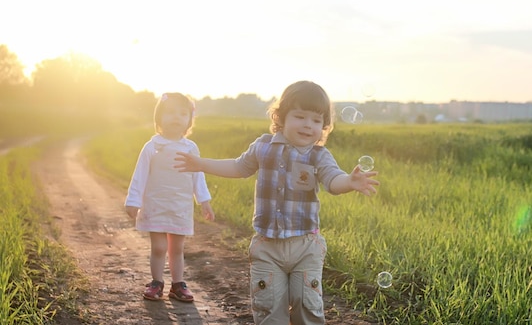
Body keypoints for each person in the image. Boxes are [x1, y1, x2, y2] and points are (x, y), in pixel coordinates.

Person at [174, 80, 379, 324]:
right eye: (300, 116)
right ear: (280, 117)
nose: (307, 125)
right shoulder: (263, 147)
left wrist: (349, 181)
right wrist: (201, 164)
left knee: (307, 306)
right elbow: (239, 167)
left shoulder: (318, 156)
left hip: (305, 246)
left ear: (324, 126)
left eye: (316, 120)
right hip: (266, 247)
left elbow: (333, 181)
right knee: (269, 308)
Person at [125, 92, 215, 303]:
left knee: (177, 248)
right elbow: (140, 175)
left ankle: (178, 284)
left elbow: (198, 176)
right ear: (159, 118)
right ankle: (156, 282)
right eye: (170, 112)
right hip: (156, 205)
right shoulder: (153, 147)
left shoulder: (190, 148)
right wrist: (133, 201)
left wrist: (204, 201)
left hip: (180, 207)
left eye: (182, 113)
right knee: (158, 247)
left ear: (189, 121)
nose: (176, 117)